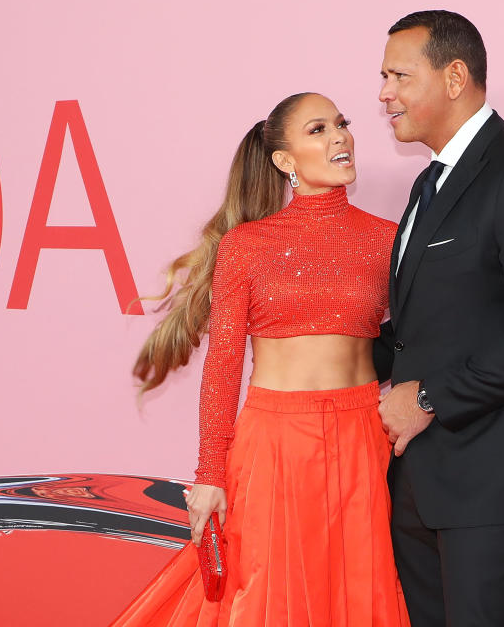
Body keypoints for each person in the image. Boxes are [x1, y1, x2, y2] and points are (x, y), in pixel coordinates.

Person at [112, 93, 410, 627]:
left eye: (341, 124)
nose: (339, 137)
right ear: (284, 161)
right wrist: (209, 472)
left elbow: (416, 337)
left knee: (358, 592)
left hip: (364, 437)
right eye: (318, 129)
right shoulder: (246, 246)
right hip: (275, 442)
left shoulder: (385, 239)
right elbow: (223, 363)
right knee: (272, 595)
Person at [374, 11, 504, 627]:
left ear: (454, 76)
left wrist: (431, 398)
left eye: (398, 75)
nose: (384, 93)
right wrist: (322, 352)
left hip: (495, 481)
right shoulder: (428, 183)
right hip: (421, 480)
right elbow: (419, 329)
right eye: (383, 76)